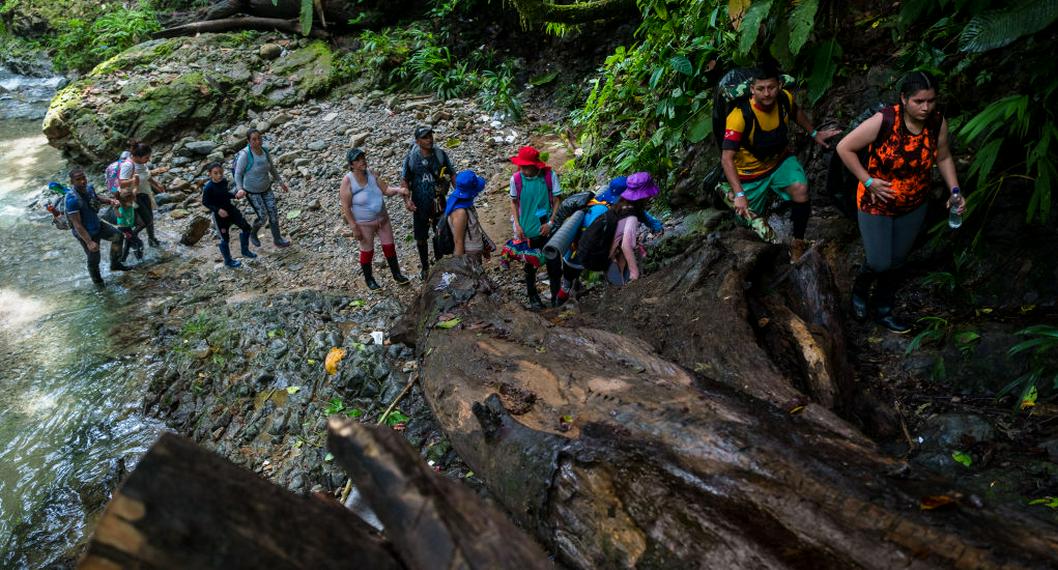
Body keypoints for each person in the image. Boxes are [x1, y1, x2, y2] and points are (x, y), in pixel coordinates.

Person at [836, 71, 964, 334]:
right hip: (876, 201)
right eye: (919, 101)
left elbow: (943, 157)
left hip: (914, 202)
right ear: (904, 99)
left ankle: (884, 309)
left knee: (897, 261)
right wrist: (867, 180)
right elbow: (844, 147)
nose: (926, 107)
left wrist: (954, 191)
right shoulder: (884, 121)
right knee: (880, 261)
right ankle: (860, 290)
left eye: (931, 100)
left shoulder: (937, 122)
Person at [720, 64, 838, 256]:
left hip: (779, 162)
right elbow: (727, 158)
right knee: (746, 223)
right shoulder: (739, 116)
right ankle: (729, 193)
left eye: (771, 87)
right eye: (760, 89)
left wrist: (815, 133)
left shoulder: (784, 99)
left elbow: (796, 112)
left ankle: (798, 243)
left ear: (780, 85)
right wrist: (740, 194)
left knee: (800, 188)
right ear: (752, 89)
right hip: (750, 174)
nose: (767, 94)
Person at [340, 148, 412, 289]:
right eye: (358, 160)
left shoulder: (372, 174)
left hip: (382, 219)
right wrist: (354, 227)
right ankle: (369, 279)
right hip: (364, 223)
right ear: (351, 164)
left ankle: (397, 274)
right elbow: (346, 207)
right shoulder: (348, 181)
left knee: (389, 246)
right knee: (367, 250)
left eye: (363, 158)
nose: (362, 161)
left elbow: (386, 190)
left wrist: (398, 190)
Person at [509, 145, 562, 309]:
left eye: (527, 167)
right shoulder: (516, 180)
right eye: (522, 167)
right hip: (526, 232)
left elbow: (557, 200)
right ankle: (533, 297)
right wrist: (516, 225)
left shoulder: (549, 176)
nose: (523, 170)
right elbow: (513, 202)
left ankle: (555, 297)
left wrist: (551, 222)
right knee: (530, 266)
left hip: (547, 230)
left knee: (553, 264)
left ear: (535, 165)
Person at [401, 126, 455, 280]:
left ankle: (440, 263)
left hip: (439, 202)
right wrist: (407, 200)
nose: (429, 139)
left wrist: (460, 194)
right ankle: (425, 267)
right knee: (420, 237)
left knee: (441, 233)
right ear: (418, 141)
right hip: (420, 204)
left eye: (430, 136)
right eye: (425, 137)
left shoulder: (440, 154)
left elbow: (452, 173)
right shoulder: (412, 158)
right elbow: (405, 180)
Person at [65, 168, 128, 286]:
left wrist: (109, 201)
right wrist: (89, 242)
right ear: (72, 182)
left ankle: (115, 264)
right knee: (94, 257)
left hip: (97, 224)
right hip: (85, 233)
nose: (83, 181)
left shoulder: (89, 188)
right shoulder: (72, 200)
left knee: (118, 236)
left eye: (83, 178)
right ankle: (98, 283)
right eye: (78, 179)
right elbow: (77, 224)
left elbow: (96, 197)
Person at [234, 129, 291, 248]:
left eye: (259, 138)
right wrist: (240, 189)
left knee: (274, 213)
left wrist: (280, 182)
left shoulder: (265, 151)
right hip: (252, 191)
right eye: (254, 139)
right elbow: (238, 174)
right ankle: (253, 233)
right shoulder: (245, 155)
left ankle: (278, 239)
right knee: (263, 217)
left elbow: (271, 168)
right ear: (249, 141)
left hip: (266, 188)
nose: (257, 141)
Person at [202, 162, 257, 268]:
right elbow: (205, 202)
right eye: (215, 173)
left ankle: (245, 251)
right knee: (225, 239)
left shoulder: (223, 181)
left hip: (231, 209)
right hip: (219, 216)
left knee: (246, 227)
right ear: (210, 174)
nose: (219, 175)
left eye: (221, 172)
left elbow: (225, 194)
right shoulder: (208, 188)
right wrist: (218, 210)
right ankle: (228, 261)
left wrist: (235, 196)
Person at [118, 142, 166, 247]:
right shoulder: (128, 165)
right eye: (146, 157)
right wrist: (133, 180)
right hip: (134, 196)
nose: (148, 159)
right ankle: (130, 237)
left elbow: (147, 175)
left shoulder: (141, 163)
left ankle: (152, 240)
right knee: (146, 221)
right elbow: (121, 183)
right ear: (137, 157)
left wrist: (157, 184)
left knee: (150, 219)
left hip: (145, 193)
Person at [444, 170, 493, 261]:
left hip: (473, 251)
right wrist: (460, 265)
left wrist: (484, 247)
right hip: (469, 255)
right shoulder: (460, 212)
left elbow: (474, 228)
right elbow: (458, 241)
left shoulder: (464, 204)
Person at [114, 181, 143, 262]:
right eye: (131, 198)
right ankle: (140, 260)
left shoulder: (131, 200)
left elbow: (135, 190)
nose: (134, 199)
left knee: (128, 244)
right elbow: (119, 216)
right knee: (138, 243)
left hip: (128, 227)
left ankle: (123, 260)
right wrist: (115, 209)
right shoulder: (123, 204)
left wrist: (136, 181)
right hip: (123, 229)